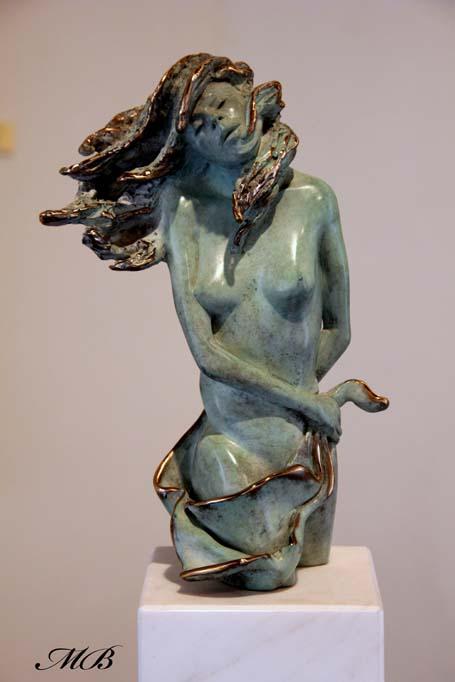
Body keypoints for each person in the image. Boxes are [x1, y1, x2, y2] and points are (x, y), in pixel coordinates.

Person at [41, 54, 388, 590]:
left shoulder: (314, 200)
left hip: (307, 439)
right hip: (232, 440)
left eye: (223, 105)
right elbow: (208, 354)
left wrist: (313, 403)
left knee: (318, 581)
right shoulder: (183, 210)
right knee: (268, 580)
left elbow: (338, 326)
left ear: (252, 98)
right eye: (198, 124)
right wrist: (306, 400)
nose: (219, 124)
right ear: (188, 145)